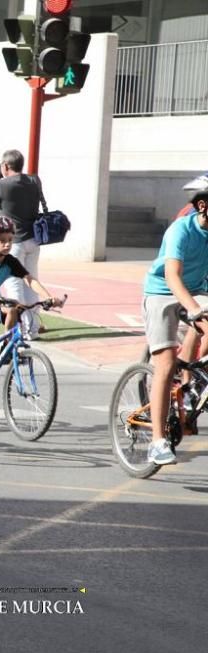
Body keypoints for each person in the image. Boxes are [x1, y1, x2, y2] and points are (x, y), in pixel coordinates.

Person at [140, 189, 208, 466]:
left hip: (196, 290)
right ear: (203, 206)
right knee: (165, 365)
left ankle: (191, 381)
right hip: (162, 293)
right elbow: (171, 276)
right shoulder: (180, 230)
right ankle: (157, 441)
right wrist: (193, 309)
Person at [0, 217, 63, 375]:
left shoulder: (10, 261)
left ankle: (7, 345)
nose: (7, 244)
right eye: (2, 240)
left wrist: (49, 297)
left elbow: (29, 280)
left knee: (13, 309)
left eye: (10, 239)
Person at [0, 148, 46, 339]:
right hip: (33, 240)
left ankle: (18, 329)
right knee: (31, 282)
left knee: (14, 285)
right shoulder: (35, 180)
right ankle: (31, 330)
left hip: (12, 241)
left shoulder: (2, 184)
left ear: (6, 166)